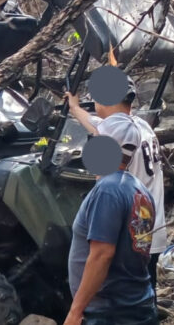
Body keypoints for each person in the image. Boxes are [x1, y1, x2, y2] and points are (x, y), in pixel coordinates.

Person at [65, 75, 167, 299]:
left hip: (134, 237)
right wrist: (74, 107)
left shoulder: (114, 133)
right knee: (144, 296)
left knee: (122, 300)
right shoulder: (138, 125)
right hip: (153, 230)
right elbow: (95, 125)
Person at [64, 124, 158, 325]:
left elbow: (102, 255)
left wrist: (75, 311)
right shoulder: (139, 189)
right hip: (138, 305)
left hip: (110, 313)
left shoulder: (108, 190)